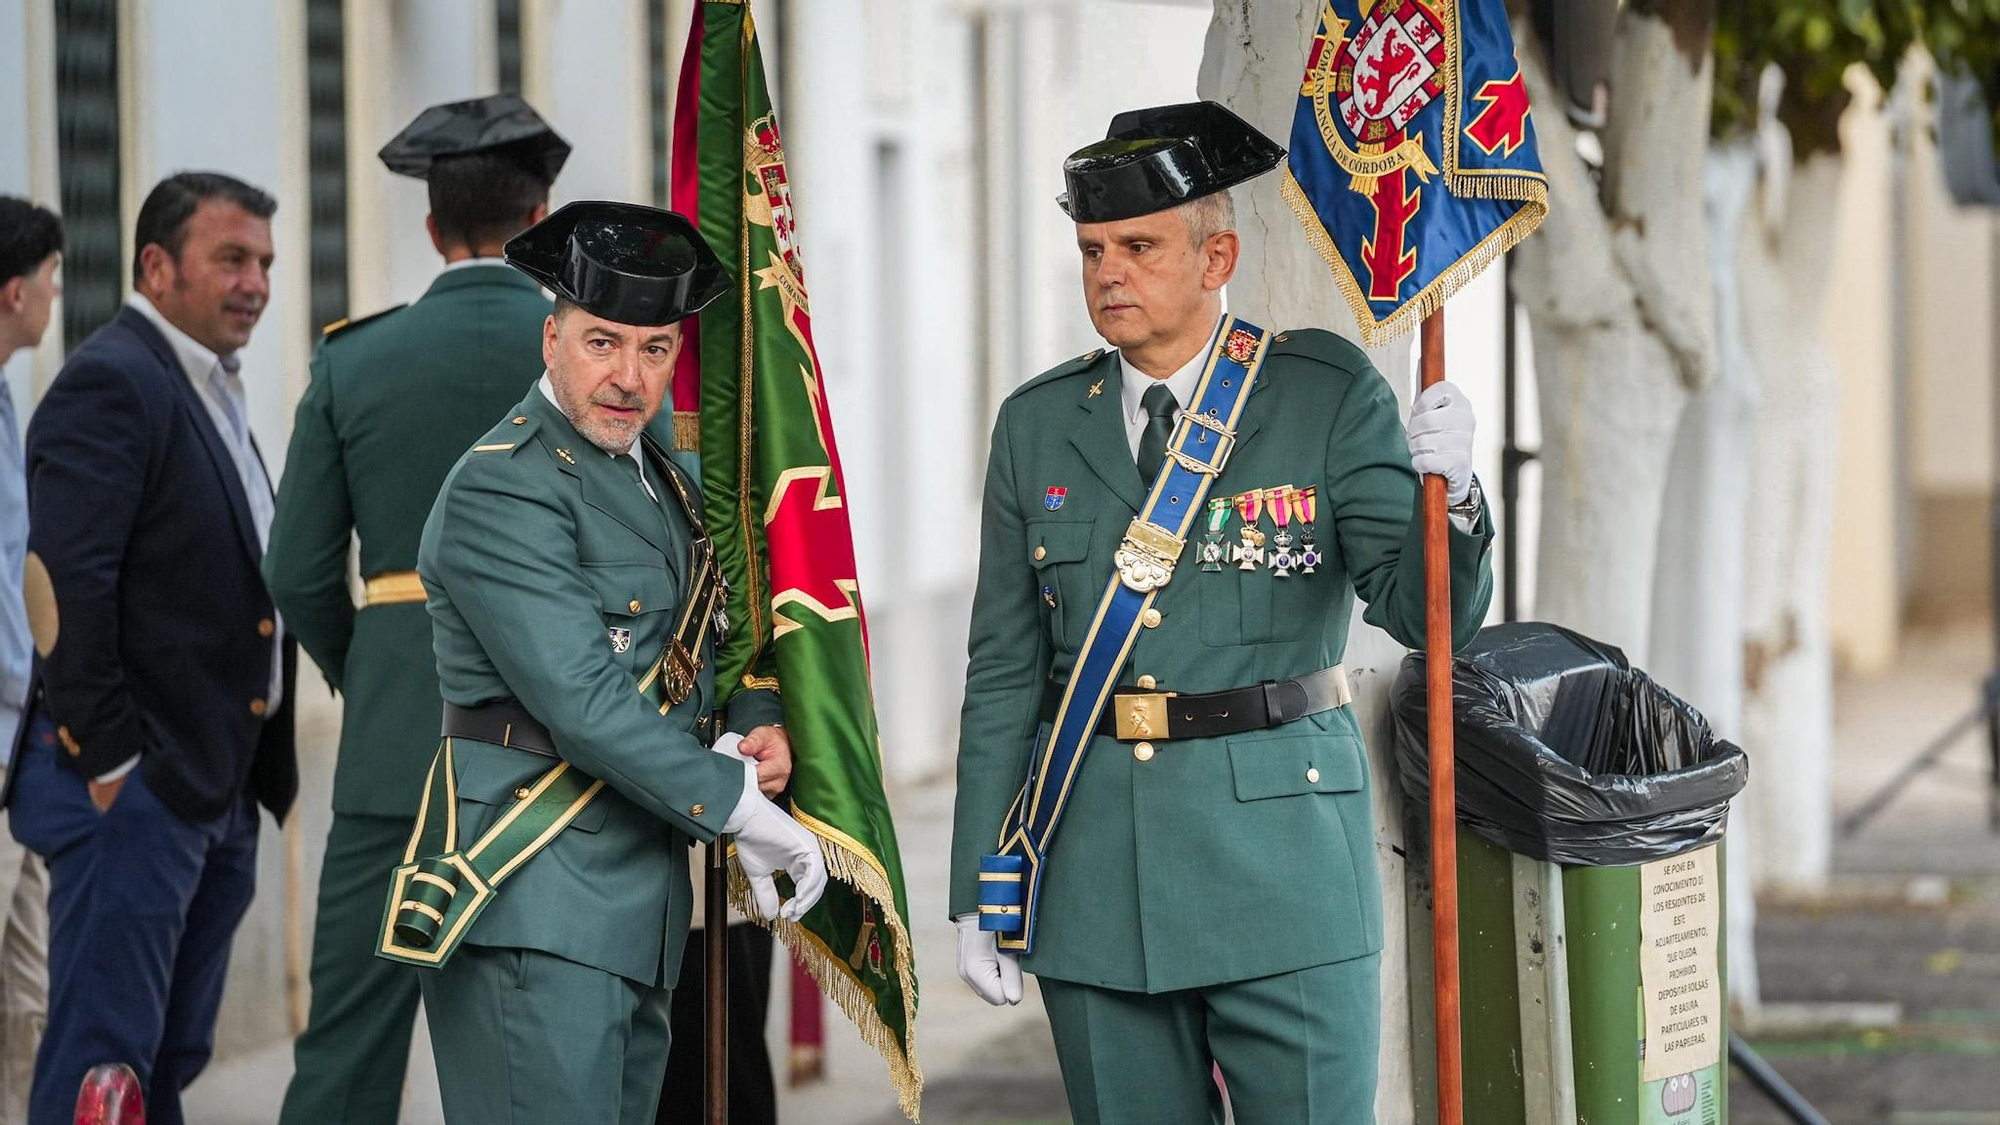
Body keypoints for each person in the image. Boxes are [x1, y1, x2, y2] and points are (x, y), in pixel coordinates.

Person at [948, 102, 1495, 1125]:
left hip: (1282, 872)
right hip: (1095, 873)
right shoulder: (1035, 424)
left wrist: (1455, 498)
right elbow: (1005, 672)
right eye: (1092, 250)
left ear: (1217, 258)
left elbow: (1430, 615)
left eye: (1139, 247)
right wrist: (984, 880)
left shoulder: (1321, 394)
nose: (1108, 274)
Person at [385, 200, 826, 1123]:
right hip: (534, 900)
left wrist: (753, 729)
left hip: (634, 909)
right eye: (602, 343)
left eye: (655, 349)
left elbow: (709, 640)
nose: (629, 377)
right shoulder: (503, 485)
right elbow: (586, 702)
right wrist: (734, 804)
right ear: (551, 339)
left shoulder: (658, 476)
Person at [264, 93, 569, 1125]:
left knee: (348, 1054)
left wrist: (375, 668)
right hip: (564, 758)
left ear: (434, 229)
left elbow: (296, 569)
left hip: (399, 746)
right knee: (554, 1049)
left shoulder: (355, 359)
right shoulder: (594, 362)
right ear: (540, 221)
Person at [7, 171, 295, 1125]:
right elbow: (63, 590)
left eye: (264, 262)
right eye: (231, 258)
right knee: (102, 1067)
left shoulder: (210, 385)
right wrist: (114, 765)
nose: (256, 282)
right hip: (135, 794)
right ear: (157, 266)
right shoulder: (113, 379)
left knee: (161, 1062)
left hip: (213, 786)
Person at [0, 197, 61, 1125]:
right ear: (15, 292)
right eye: (51, 279)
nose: (55, 295)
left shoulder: (8, 395)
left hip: (21, 738)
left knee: (32, 995)